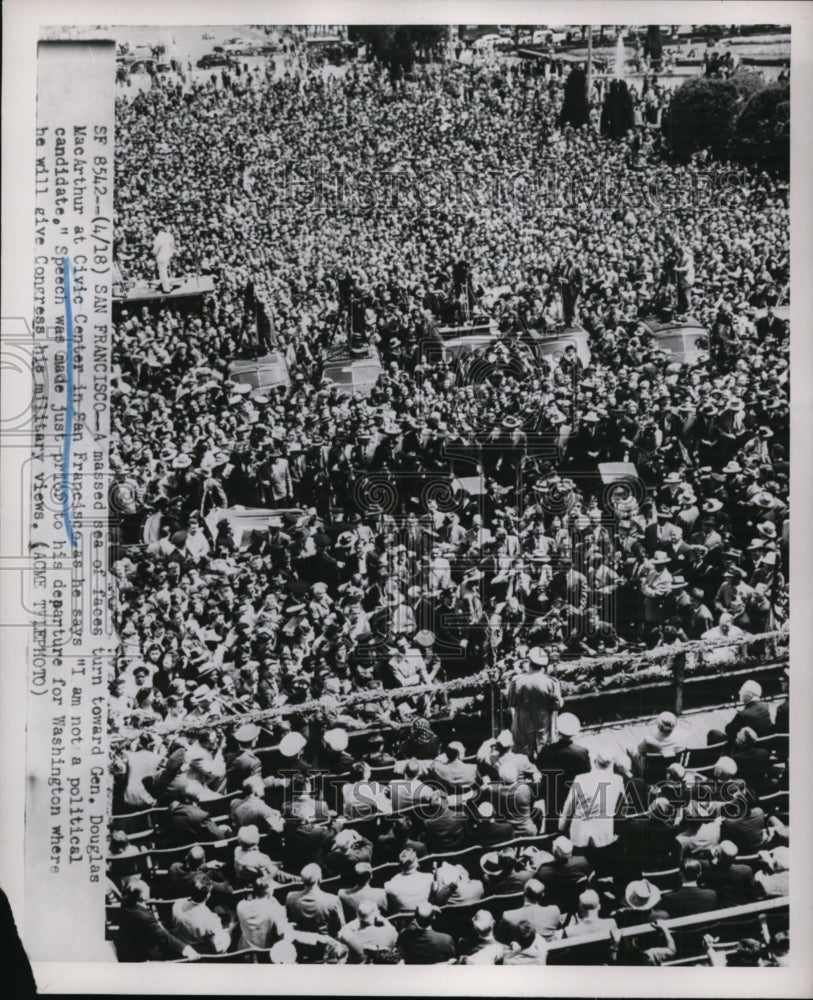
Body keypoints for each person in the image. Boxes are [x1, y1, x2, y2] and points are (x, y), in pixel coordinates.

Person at [115, 879, 199, 962]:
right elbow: (162, 936)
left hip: (130, 944)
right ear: (142, 896)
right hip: (141, 954)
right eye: (147, 889)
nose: (149, 889)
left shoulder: (126, 903)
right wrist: (185, 948)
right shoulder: (144, 918)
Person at [559, 746, 623, 848]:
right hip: (603, 834)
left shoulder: (581, 778)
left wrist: (562, 827)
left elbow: (569, 806)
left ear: (595, 761)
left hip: (580, 834)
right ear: (611, 764)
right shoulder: (618, 780)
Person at [506, 647, 563, 756]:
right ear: (543, 665)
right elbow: (557, 705)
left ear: (530, 662)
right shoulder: (551, 682)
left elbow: (512, 702)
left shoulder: (517, 680)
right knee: (544, 753)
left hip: (523, 722)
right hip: (543, 722)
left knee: (524, 755)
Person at [170, 874, 231, 954]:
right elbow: (219, 948)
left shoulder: (177, 904)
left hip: (181, 945)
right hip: (201, 952)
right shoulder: (211, 919)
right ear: (208, 895)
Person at [285, 863, 345, 937]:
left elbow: (289, 922)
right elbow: (341, 928)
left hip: (300, 943)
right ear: (319, 879)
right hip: (324, 944)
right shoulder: (332, 900)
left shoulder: (290, 898)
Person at [497, 879, 562, 943]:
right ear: (542, 895)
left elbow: (500, 939)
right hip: (551, 950)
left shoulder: (509, 916)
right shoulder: (554, 911)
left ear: (524, 893)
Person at [235, 876, 291, 950]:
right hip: (265, 953)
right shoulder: (275, 908)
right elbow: (284, 934)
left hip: (242, 951)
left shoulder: (241, 905)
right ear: (269, 891)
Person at [384, 848, 436, 914]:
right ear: (416, 862)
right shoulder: (429, 878)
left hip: (401, 920)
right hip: (424, 916)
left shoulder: (390, 885)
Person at [152, 224, 177, 294]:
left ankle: (166, 289)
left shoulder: (158, 238)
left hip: (161, 257)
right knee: (168, 272)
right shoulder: (169, 236)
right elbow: (172, 245)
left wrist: (153, 253)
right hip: (168, 256)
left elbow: (155, 250)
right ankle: (170, 286)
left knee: (163, 273)